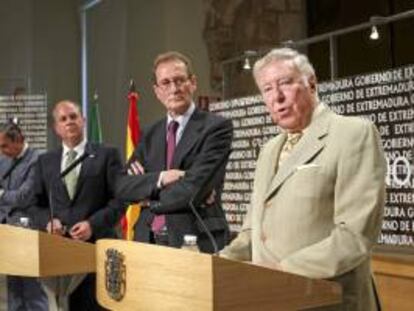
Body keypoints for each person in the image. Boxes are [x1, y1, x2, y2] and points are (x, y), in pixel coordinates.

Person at [221, 48, 386, 310]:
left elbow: (354, 235)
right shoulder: (268, 150)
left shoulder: (353, 134)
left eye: (285, 83)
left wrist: (281, 271)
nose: (277, 97)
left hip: (330, 301)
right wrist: (216, 265)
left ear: (311, 83)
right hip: (271, 300)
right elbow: (252, 232)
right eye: (267, 89)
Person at [116, 51, 233, 253]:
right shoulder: (149, 134)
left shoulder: (216, 128)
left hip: (195, 240)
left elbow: (194, 190)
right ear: (157, 91)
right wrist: (162, 178)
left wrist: (148, 195)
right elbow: (122, 187)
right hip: (147, 240)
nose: (174, 89)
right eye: (166, 83)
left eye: (180, 80)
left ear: (193, 83)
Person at [31, 100, 125, 310]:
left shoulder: (107, 154)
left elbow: (120, 200)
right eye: (63, 119)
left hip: (98, 249)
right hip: (60, 253)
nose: (69, 122)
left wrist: (92, 224)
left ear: (83, 120)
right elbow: (34, 204)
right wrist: (48, 222)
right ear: (56, 128)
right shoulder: (45, 161)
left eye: (73, 116)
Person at [0, 121, 49, 310]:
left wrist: (2, 194)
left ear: (18, 140)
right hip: (7, 229)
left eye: (4, 145)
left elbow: (24, 197)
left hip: (28, 230)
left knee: (31, 286)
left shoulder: (38, 160)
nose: (1, 150)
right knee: (13, 286)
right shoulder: (4, 159)